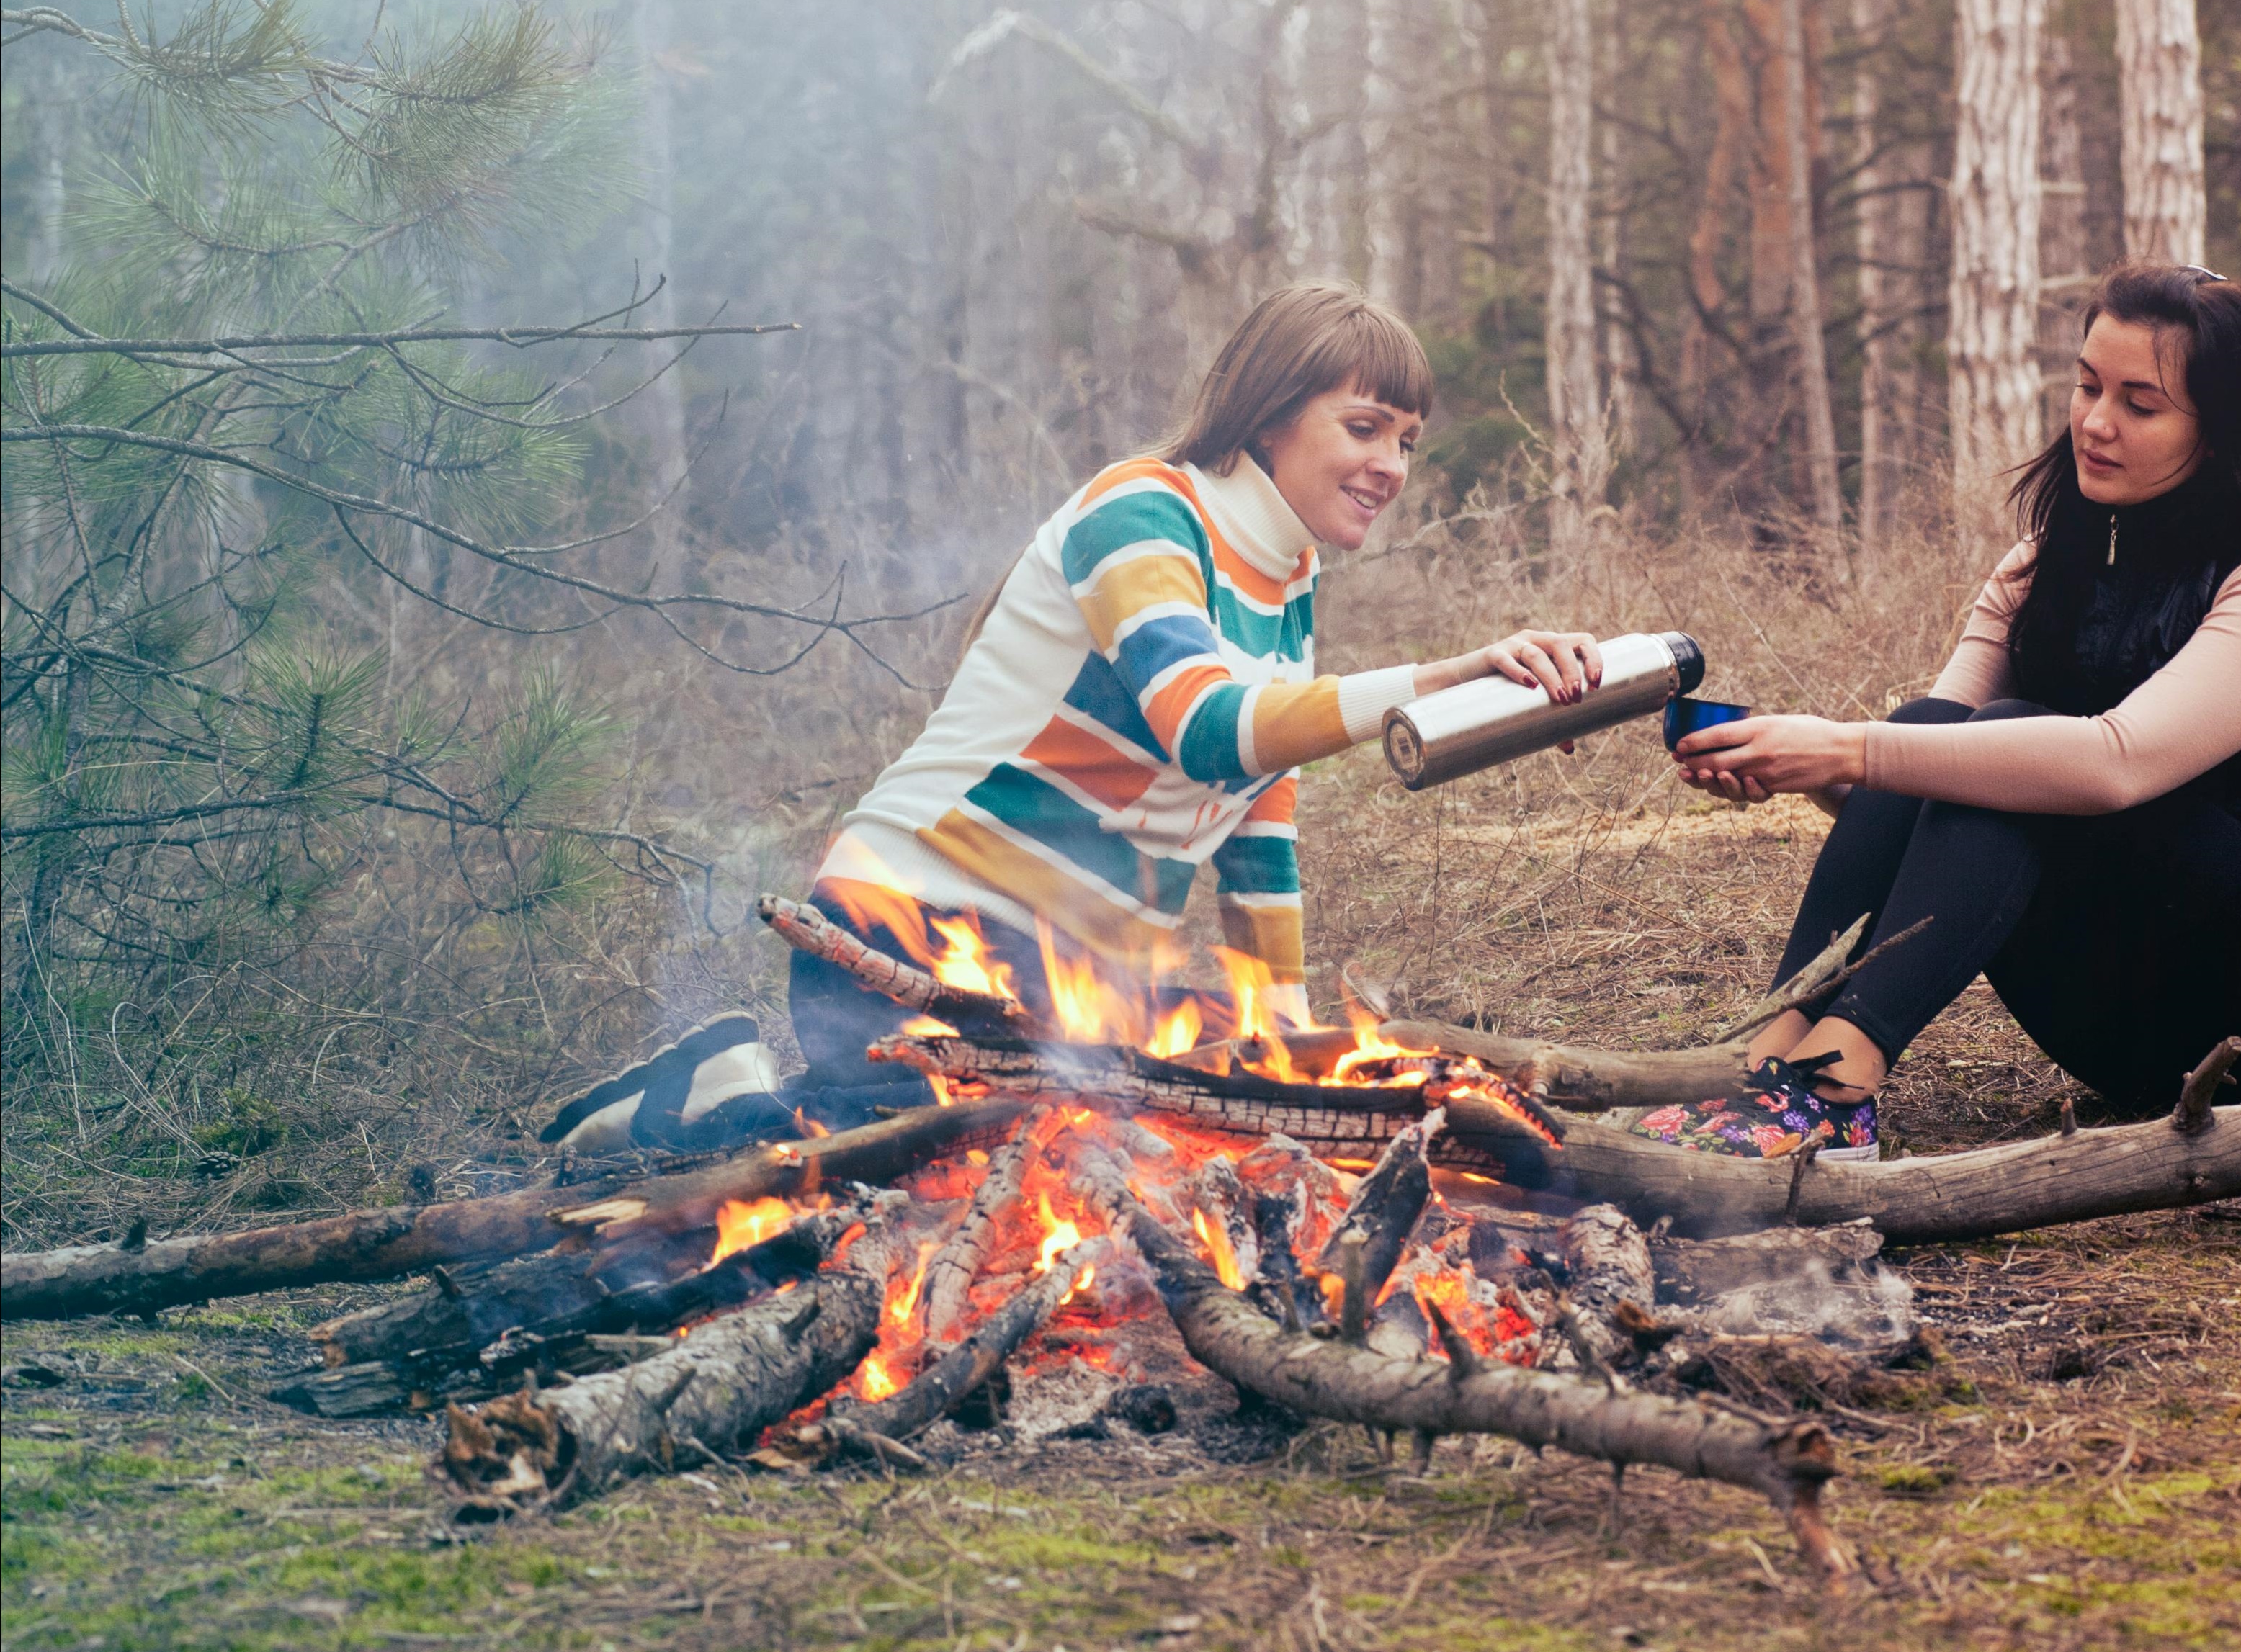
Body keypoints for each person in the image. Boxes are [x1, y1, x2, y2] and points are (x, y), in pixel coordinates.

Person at [543, 283, 1600, 1151]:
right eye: (1364, 427)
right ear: (1271, 415)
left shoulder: (1289, 576)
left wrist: (1283, 1024)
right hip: (911, 928)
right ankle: (700, 1097)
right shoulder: (1140, 510)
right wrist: (1435, 679)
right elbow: (1210, 728)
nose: (1391, 467)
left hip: (1070, 985)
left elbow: (1257, 805)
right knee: (921, 1167)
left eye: (1408, 441)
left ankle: (749, 1092)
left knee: (1160, 1147)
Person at [1633, 264, 2241, 1159]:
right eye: (2087, 384)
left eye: (2141, 404)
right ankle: (1757, 1072)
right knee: (1933, 729)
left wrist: (1844, 749)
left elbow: (2114, 763)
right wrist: (1802, 767)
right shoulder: (2039, 565)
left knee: (1990, 747)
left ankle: (1833, 1092)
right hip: (2153, 1024)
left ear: (2223, 431)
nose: (2095, 422)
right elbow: (1924, 780)